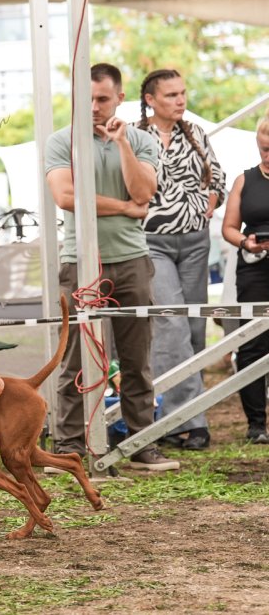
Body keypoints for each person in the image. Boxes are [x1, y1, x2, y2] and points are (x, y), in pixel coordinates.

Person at [45, 62, 178, 471]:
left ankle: (141, 443)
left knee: (137, 359)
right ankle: (69, 445)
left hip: (132, 259)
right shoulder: (61, 141)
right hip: (79, 261)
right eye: (85, 99)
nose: (93, 107)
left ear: (120, 98)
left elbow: (144, 191)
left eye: (102, 99)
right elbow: (66, 197)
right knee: (75, 357)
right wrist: (124, 207)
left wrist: (122, 145)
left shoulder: (140, 139)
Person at [137, 68, 225, 450]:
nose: (180, 100)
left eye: (182, 93)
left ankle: (182, 415)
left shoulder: (197, 133)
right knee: (170, 325)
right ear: (150, 100)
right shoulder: (133, 135)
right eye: (171, 94)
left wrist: (211, 202)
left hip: (196, 242)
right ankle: (188, 421)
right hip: (153, 242)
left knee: (194, 328)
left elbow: (217, 176)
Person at [220, 108, 269, 444]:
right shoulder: (244, 180)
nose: (267, 155)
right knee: (252, 343)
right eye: (264, 148)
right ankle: (256, 424)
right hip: (254, 265)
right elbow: (229, 227)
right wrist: (245, 242)